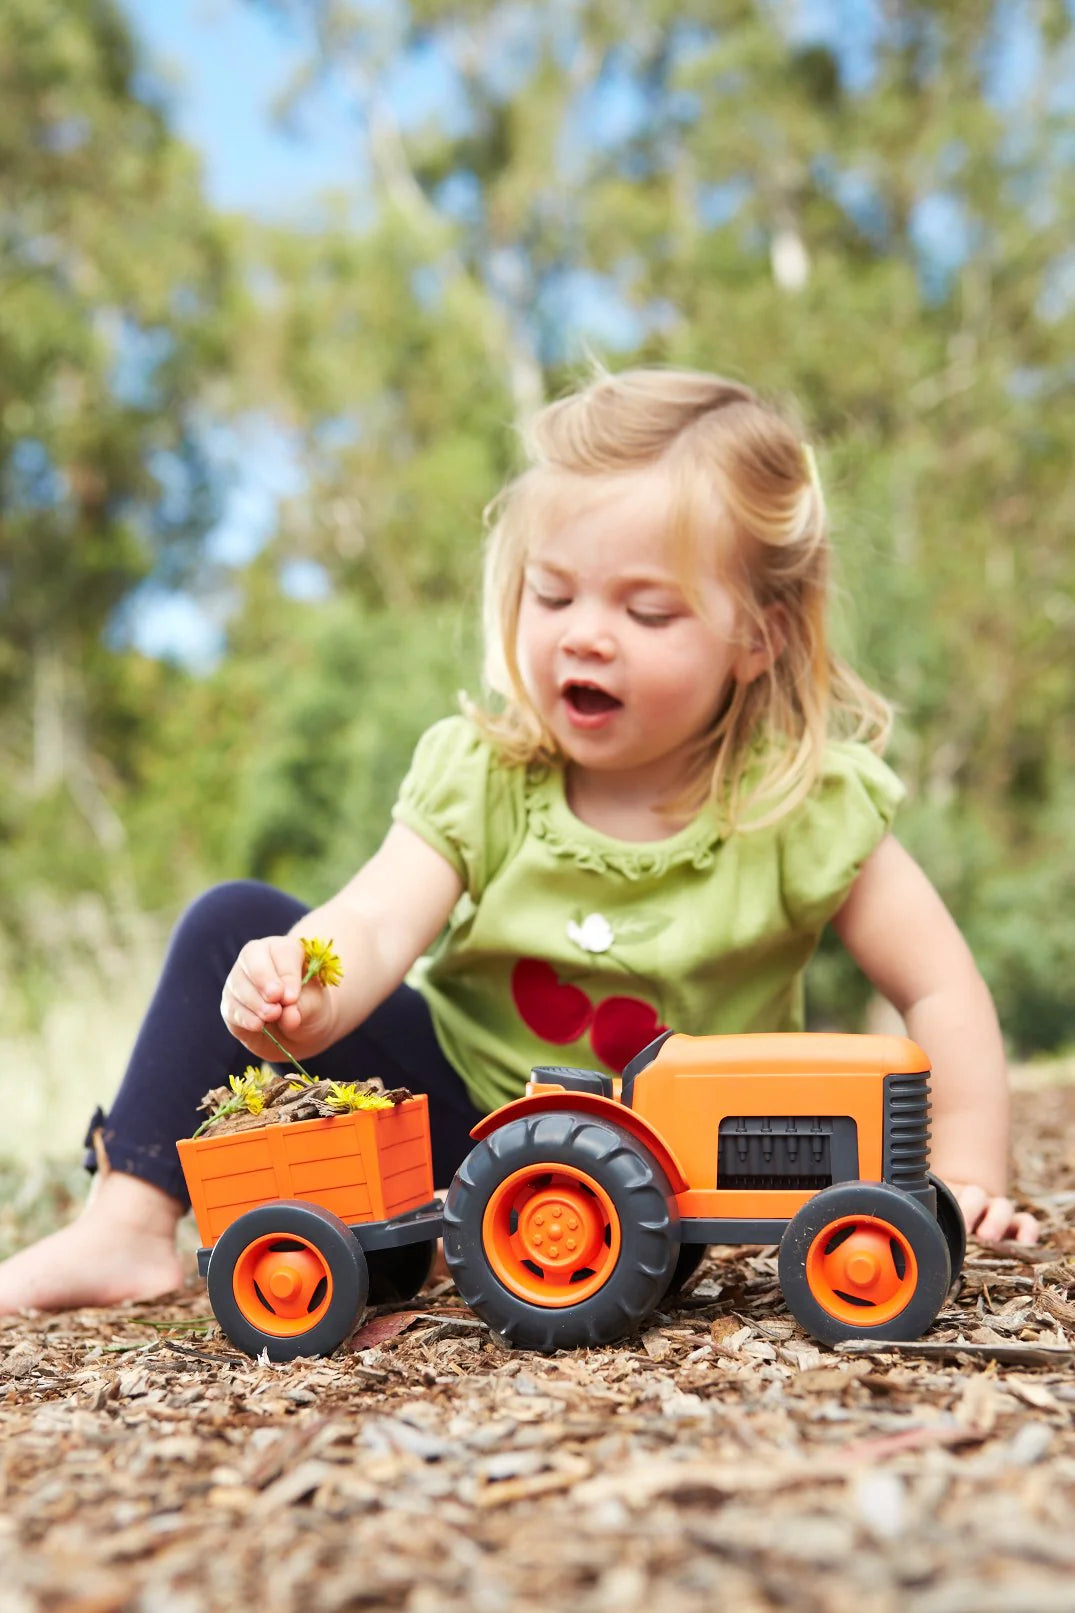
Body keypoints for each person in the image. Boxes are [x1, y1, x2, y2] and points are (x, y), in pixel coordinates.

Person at [0, 367, 1038, 1316]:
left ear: (755, 636)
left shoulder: (800, 803)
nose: (585, 632)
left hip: (667, 1168)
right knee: (233, 917)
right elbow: (372, 918)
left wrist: (964, 1172)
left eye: (645, 608)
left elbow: (940, 985)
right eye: (554, 594)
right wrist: (305, 983)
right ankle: (127, 1226)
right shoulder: (488, 773)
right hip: (457, 1127)